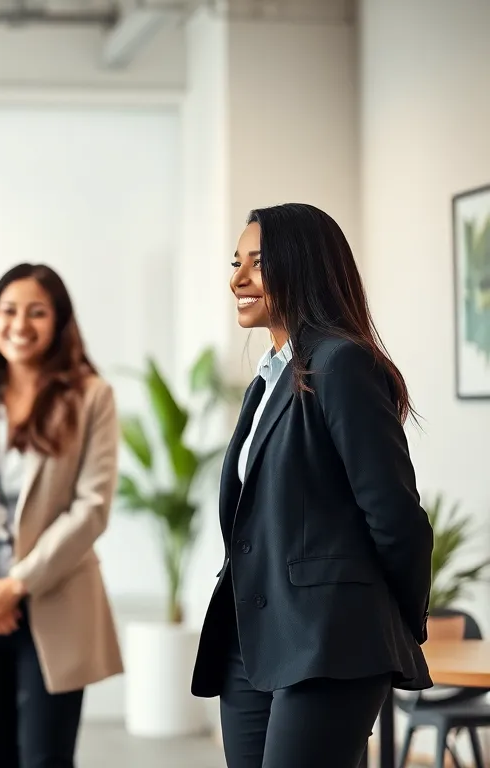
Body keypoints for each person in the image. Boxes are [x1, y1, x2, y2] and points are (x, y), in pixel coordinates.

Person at [189, 203, 434, 768]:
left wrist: (394, 620)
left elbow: (395, 515)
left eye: (258, 263)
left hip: (330, 640)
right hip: (250, 642)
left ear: (303, 265)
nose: (238, 279)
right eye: (235, 263)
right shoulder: (267, 380)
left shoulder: (341, 363)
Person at [0, 263, 123, 768]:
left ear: (59, 321)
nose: (20, 324)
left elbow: (92, 507)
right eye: (9, 310)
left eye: (37, 312)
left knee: (46, 759)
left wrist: (15, 586)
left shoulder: (91, 397)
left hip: (53, 601)